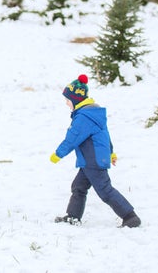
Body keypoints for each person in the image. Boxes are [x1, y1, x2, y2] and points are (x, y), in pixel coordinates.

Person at [51, 74, 141, 228]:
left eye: (68, 100)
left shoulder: (84, 117)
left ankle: (130, 217)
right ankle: (73, 217)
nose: (66, 103)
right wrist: (111, 153)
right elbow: (106, 137)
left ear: (76, 100)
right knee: (78, 187)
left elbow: (72, 139)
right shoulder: (93, 113)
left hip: (93, 161)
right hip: (90, 161)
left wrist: (58, 154)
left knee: (104, 190)